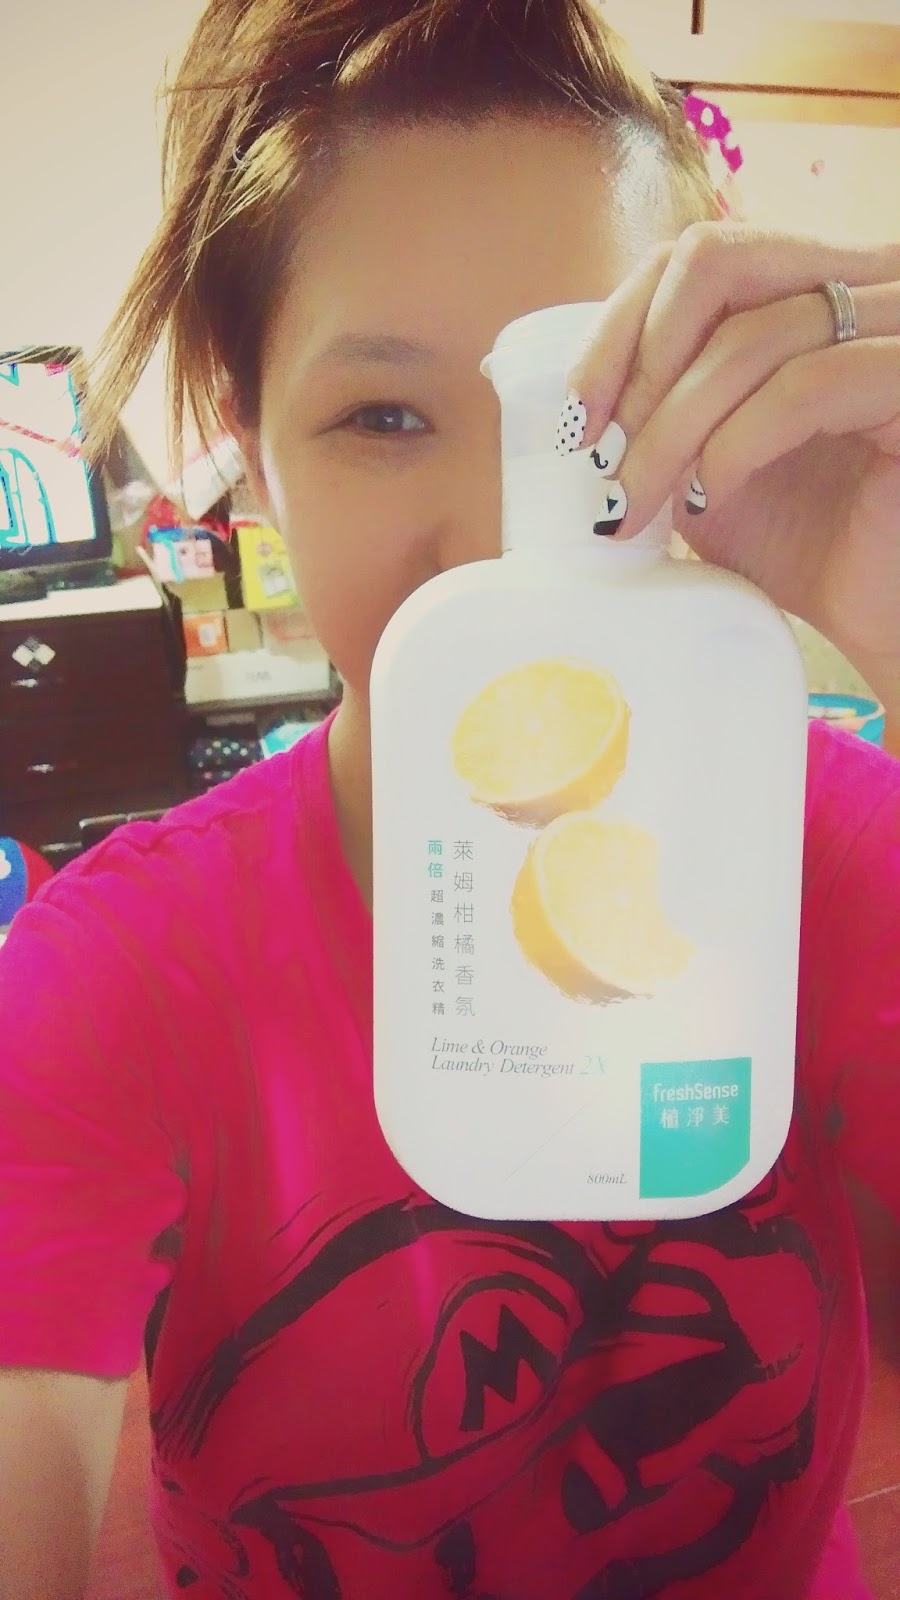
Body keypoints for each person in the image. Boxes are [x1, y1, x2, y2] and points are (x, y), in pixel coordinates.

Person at [1, 2, 898, 1596]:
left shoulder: (833, 851)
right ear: (251, 448)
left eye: (590, 419)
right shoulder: (119, 974)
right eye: (385, 419)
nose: (498, 536)